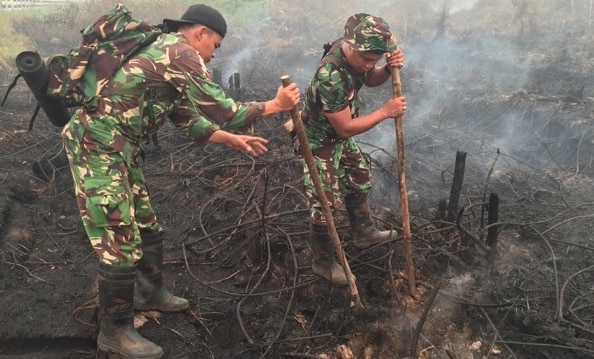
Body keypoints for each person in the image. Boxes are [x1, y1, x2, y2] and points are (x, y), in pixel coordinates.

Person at [62, 4, 300, 359]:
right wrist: (274, 105)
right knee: (119, 238)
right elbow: (224, 111)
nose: (214, 52)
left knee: (148, 227)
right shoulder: (179, 52)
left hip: (120, 150)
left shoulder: (165, 54)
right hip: (97, 147)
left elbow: (189, 120)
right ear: (200, 32)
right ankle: (116, 332)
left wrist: (230, 139)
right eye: (215, 44)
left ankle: (149, 292)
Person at [295, 13, 407, 286]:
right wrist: (384, 112)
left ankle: (363, 232)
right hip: (319, 140)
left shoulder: (363, 49)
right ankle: (322, 262)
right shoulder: (330, 75)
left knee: (359, 177)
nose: (370, 64)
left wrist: (389, 67)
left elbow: (370, 79)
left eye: (375, 59)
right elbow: (345, 128)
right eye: (367, 59)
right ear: (350, 47)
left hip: (338, 136)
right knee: (325, 202)